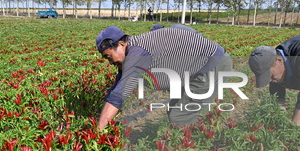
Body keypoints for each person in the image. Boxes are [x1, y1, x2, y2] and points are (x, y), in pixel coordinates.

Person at [95, 26, 232, 130]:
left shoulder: (137, 53)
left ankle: (197, 148)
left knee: (179, 116)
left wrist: (99, 130)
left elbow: (119, 95)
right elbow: (116, 88)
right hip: (200, 68)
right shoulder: (132, 50)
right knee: (175, 111)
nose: (110, 62)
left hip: (212, 66)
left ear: (121, 44)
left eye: (109, 56)